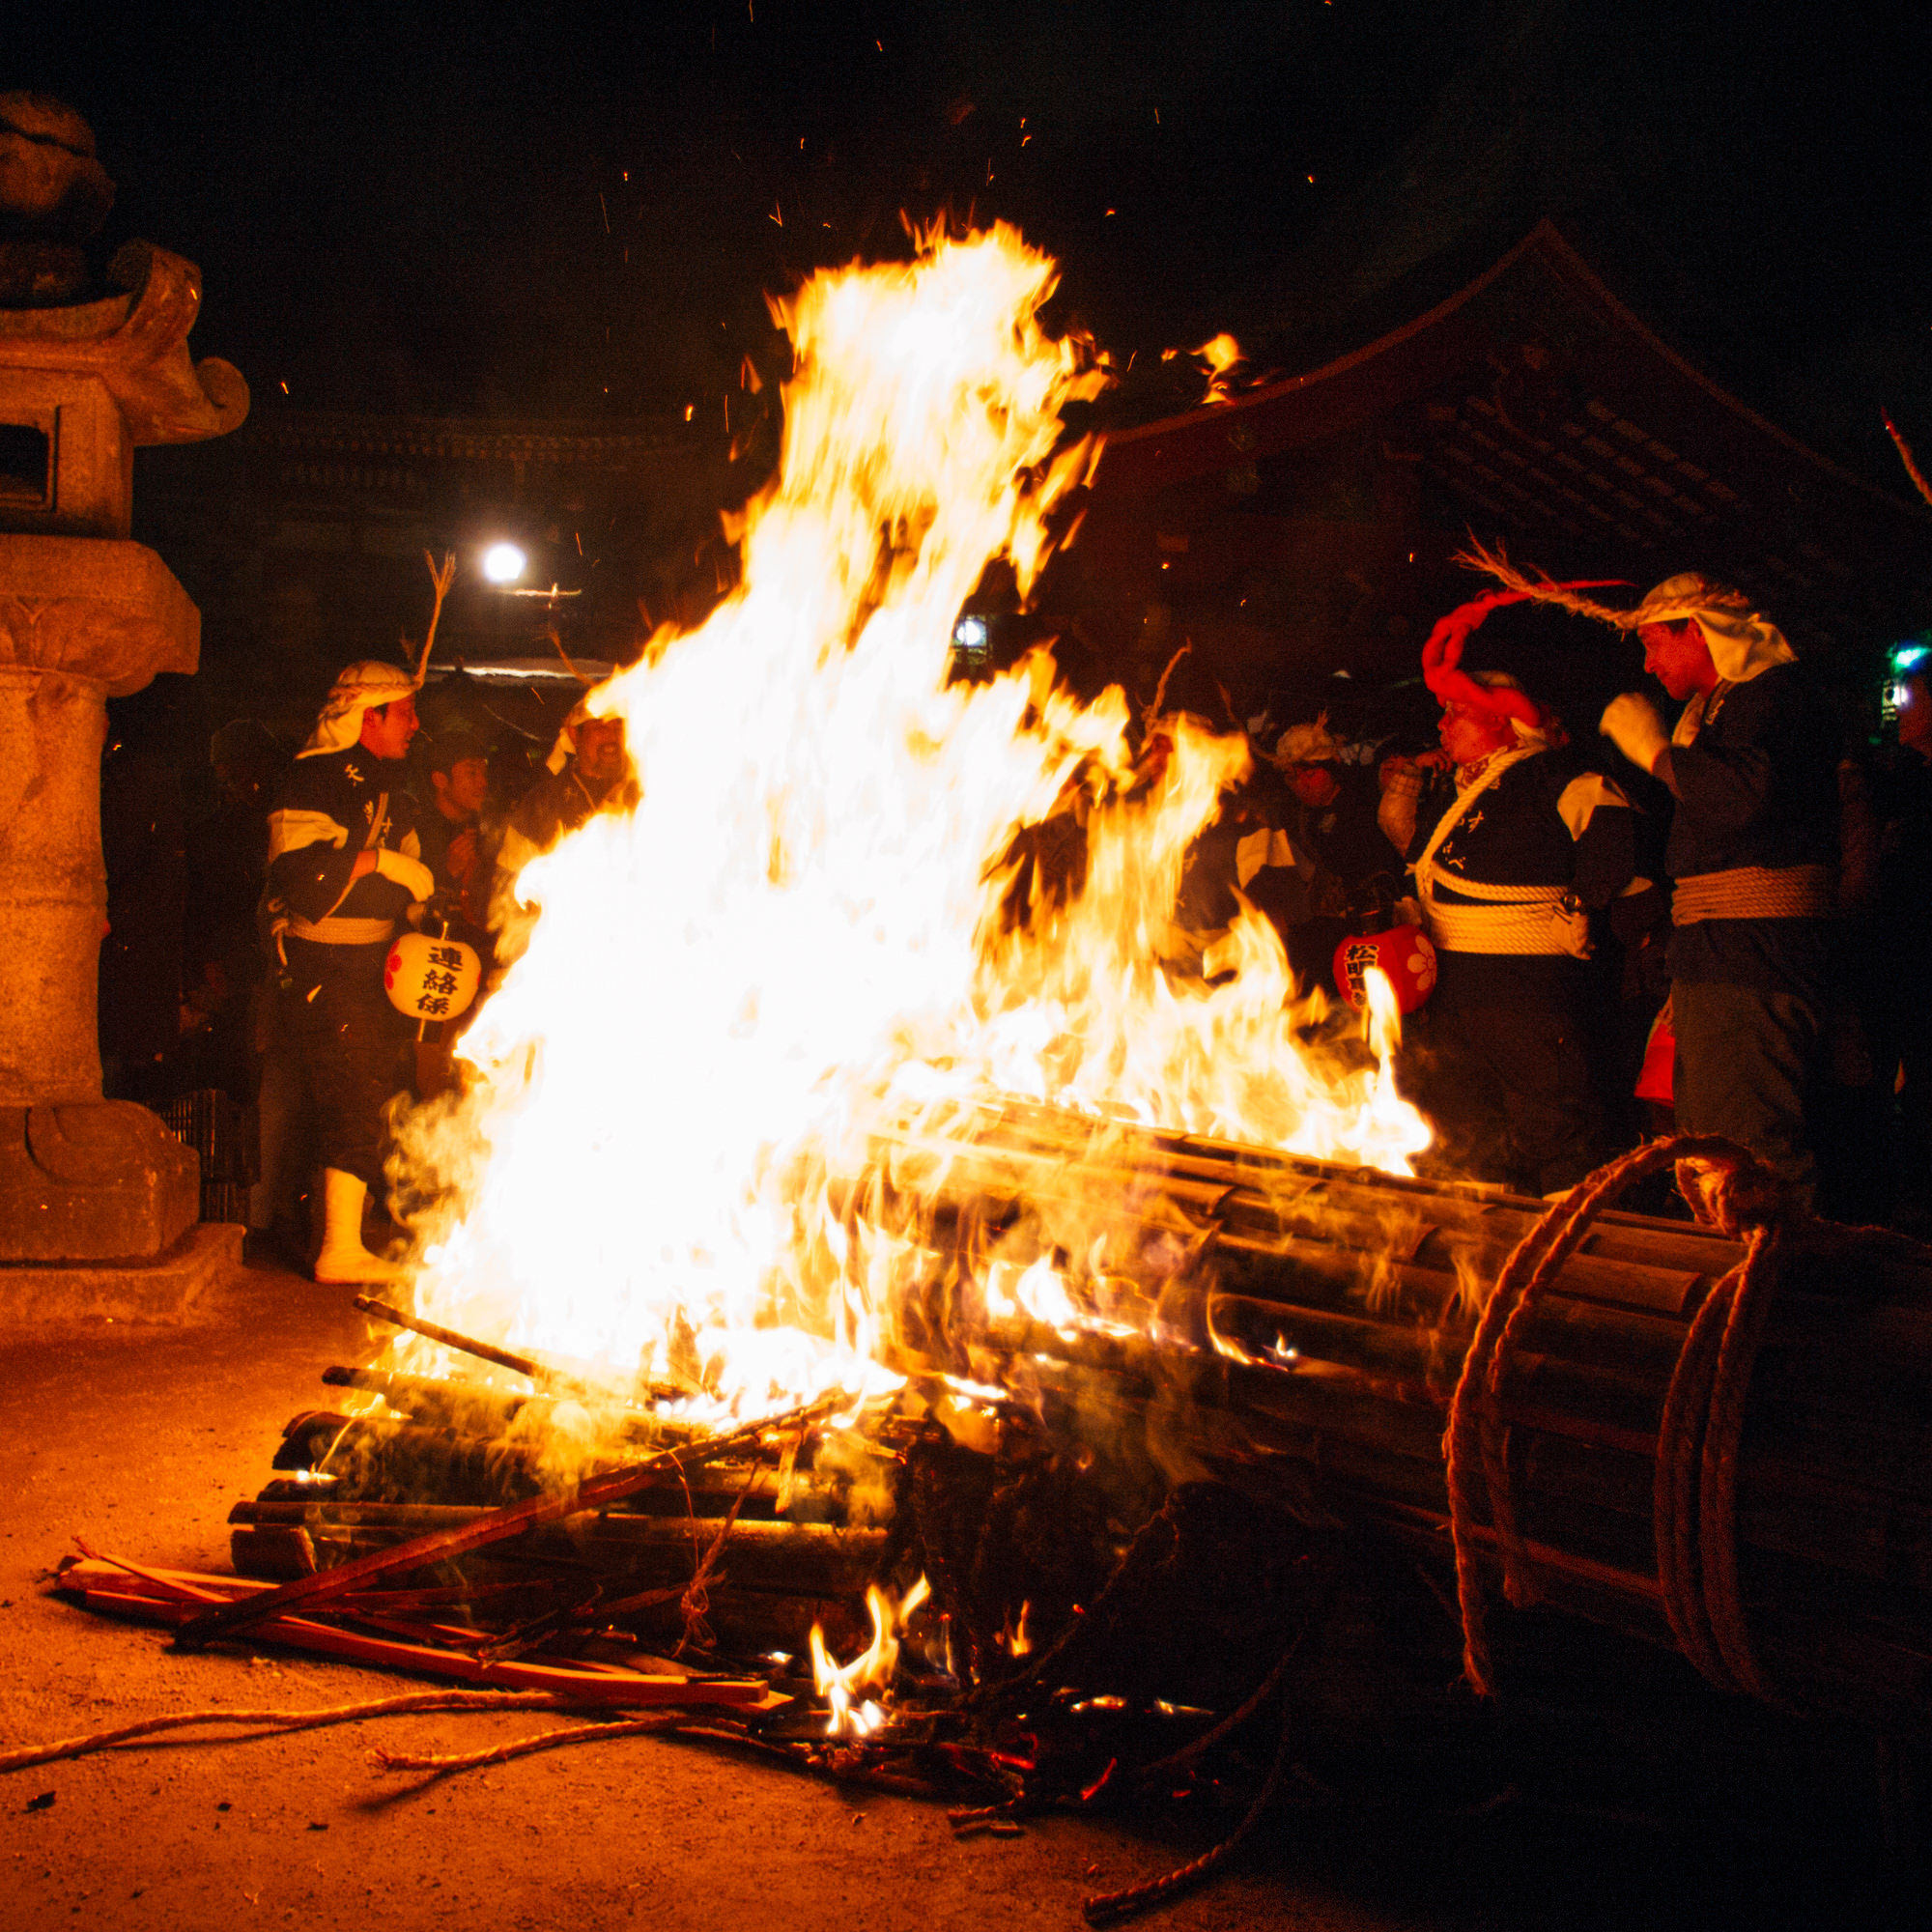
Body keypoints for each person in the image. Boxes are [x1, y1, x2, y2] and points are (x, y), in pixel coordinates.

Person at [1596, 576, 1838, 1205]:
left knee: (1751, 1142)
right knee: (1708, 1137)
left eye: (1654, 643)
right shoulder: (1717, 710)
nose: (1646, 664)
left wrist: (1653, 751)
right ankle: (1725, 1275)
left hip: (1754, 952)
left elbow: (1742, 800)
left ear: (1701, 631)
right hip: (1717, 950)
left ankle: (1776, 1284)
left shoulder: (1775, 696)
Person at [1386, 611, 1636, 1196]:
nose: (1442, 724)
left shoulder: (1553, 774)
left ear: (1503, 722)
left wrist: (1586, 904)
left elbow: (1612, 829)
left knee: (1552, 1127)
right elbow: (1406, 845)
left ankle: (1567, 1252)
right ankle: (1482, 1251)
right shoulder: (1461, 791)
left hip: (1525, 992)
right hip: (1454, 990)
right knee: (1467, 1129)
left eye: (1457, 712)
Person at [264, 661, 434, 1283]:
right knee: (349, 1098)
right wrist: (379, 861)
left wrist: (417, 903)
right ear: (371, 717)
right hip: (325, 963)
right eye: (405, 712)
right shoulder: (314, 779)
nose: (415, 725)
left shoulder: (395, 781)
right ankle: (340, 1247)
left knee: (369, 1094)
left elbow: (412, 867)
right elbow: (298, 878)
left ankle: (346, 1236)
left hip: (373, 962)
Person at [493, 700, 638, 917]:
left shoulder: (644, 792)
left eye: (618, 728)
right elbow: (507, 877)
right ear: (575, 735)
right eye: (599, 727)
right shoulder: (544, 800)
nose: (611, 737)